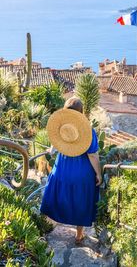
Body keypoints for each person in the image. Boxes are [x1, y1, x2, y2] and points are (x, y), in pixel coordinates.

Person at [40, 97, 102, 244]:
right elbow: (92, 155)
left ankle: (44, 228)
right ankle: (79, 236)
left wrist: (50, 150)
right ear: (81, 112)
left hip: (62, 168)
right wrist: (99, 173)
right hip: (82, 172)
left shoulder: (61, 125)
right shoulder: (88, 130)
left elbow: (54, 143)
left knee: (56, 196)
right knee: (81, 200)